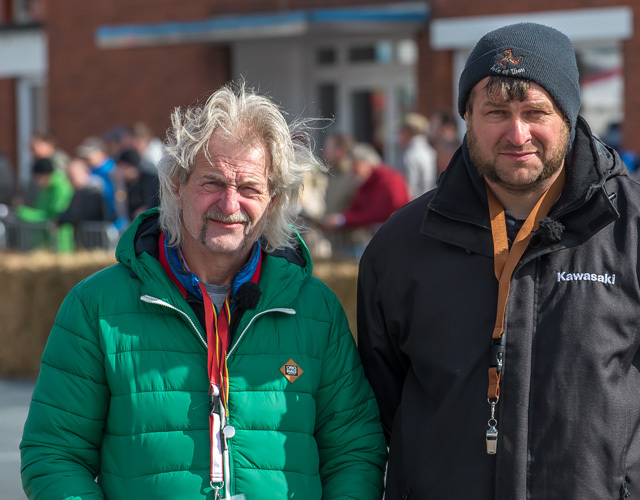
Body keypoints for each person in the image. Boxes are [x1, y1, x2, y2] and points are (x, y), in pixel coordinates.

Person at [356, 23, 640, 499]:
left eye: (536, 111)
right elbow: (382, 391)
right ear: (466, 118)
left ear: (570, 116)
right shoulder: (402, 245)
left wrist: (631, 482)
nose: (517, 134)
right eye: (496, 111)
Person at [21, 83, 387, 499]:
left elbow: (354, 454)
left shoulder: (315, 309)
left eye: (249, 188)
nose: (230, 204)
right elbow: (54, 454)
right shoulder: (96, 307)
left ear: (274, 199)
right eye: (212, 182)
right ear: (177, 184)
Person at [323, 143, 409, 257]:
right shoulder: (365, 181)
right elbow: (357, 207)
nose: (353, 172)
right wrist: (341, 218)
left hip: (394, 238)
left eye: (356, 166)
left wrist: (342, 220)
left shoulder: (388, 180)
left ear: (366, 163)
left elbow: (376, 213)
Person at [398, 112, 437, 199]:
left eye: (401, 132)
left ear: (408, 133)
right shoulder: (430, 151)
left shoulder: (411, 154)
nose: (399, 136)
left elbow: (410, 188)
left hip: (417, 203)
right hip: (429, 200)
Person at [115, 148, 160, 220]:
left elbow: (147, 208)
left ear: (132, 167)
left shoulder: (151, 180)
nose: (119, 171)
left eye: (122, 167)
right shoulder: (127, 183)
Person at [429, 110, 462, 175]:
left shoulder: (460, 163)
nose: (431, 132)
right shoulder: (435, 159)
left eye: (434, 126)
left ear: (448, 129)